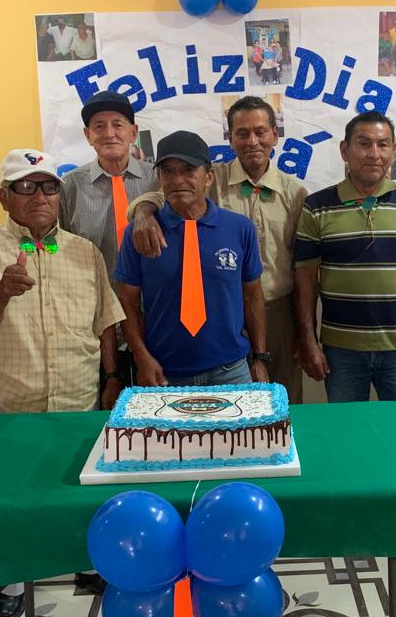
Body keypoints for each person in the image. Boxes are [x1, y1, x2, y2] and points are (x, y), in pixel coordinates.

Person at [0, 149, 124, 617]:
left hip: (77, 395)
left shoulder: (83, 250)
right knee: (13, 492)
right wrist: (2, 292)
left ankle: (87, 562)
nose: (39, 196)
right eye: (25, 187)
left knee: (77, 485)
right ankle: (15, 578)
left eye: (49, 186)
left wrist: (112, 377)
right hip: (11, 397)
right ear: (3, 197)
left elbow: (105, 321)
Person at [127, 96, 308, 401]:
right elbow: (166, 195)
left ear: (275, 135)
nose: (252, 141)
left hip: (277, 311)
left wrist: (303, 331)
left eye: (260, 132)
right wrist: (143, 212)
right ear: (230, 138)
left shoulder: (295, 193)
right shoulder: (211, 177)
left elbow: (302, 267)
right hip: (220, 309)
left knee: (279, 399)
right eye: (242, 133)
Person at [294, 111, 396, 402]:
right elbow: (305, 280)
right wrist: (308, 341)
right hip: (341, 351)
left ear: (393, 151)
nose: (374, 154)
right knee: (349, 427)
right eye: (364, 144)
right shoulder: (317, 206)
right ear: (344, 150)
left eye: (383, 144)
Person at [115, 130, 269, 387]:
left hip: (231, 370)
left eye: (188, 170)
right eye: (168, 171)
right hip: (163, 373)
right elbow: (127, 303)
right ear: (159, 178)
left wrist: (260, 358)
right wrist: (141, 358)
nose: (178, 180)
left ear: (208, 176)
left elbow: (253, 296)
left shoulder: (239, 228)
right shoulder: (140, 234)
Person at [60, 91, 158, 384]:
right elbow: (55, 246)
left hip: (153, 317)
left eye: (118, 124)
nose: (109, 133)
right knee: (106, 402)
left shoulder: (157, 180)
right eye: (99, 126)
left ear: (133, 133)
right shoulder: (69, 187)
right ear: (88, 135)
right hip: (95, 323)